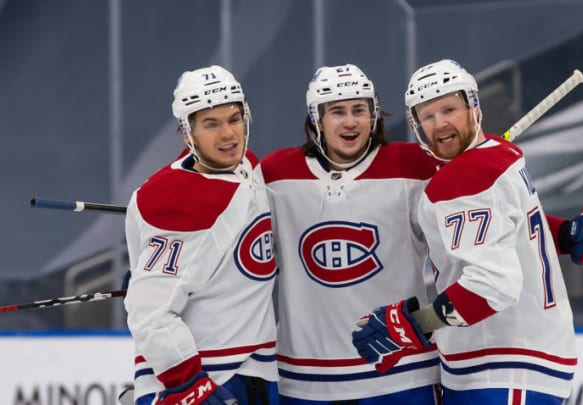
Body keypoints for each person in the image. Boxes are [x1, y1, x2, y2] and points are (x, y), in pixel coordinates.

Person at [351, 59, 583, 404]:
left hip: (500, 365)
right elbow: (514, 231)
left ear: (473, 106)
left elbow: (493, 285)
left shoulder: (464, 177)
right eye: (427, 116)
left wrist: (416, 323)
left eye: (449, 109)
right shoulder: (499, 155)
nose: (440, 124)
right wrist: (569, 234)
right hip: (527, 363)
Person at [260, 64, 442, 404]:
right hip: (305, 380)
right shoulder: (276, 174)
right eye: (337, 111)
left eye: (360, 110)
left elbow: (480, 214)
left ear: (374, 115)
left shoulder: (414, 166)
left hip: (401, 374)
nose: (350, 121)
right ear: (316, 118)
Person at [123, 65, 279, 405]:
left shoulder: (246, 166)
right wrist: (187, 384)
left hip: (256, 371)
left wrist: (145, 275)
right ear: (187, 133)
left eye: (234, 119)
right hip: (212, 379)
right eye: (211, 124)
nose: (228, 135)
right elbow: (149, 313)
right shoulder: (175, 202)